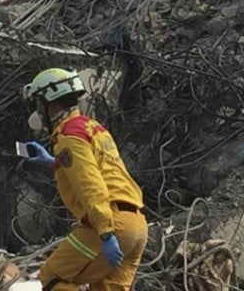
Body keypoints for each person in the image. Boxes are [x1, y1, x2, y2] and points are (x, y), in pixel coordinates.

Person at [21, 68, 148, 291]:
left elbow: (91, 185)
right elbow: (100, 169)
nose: (39, 111)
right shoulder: (91, 127)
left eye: (39, 105)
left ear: (50, 103)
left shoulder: (69, 135)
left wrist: (106, 233)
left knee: (51, 276)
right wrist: (53, 161)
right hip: (136, 226)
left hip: (110, 223)